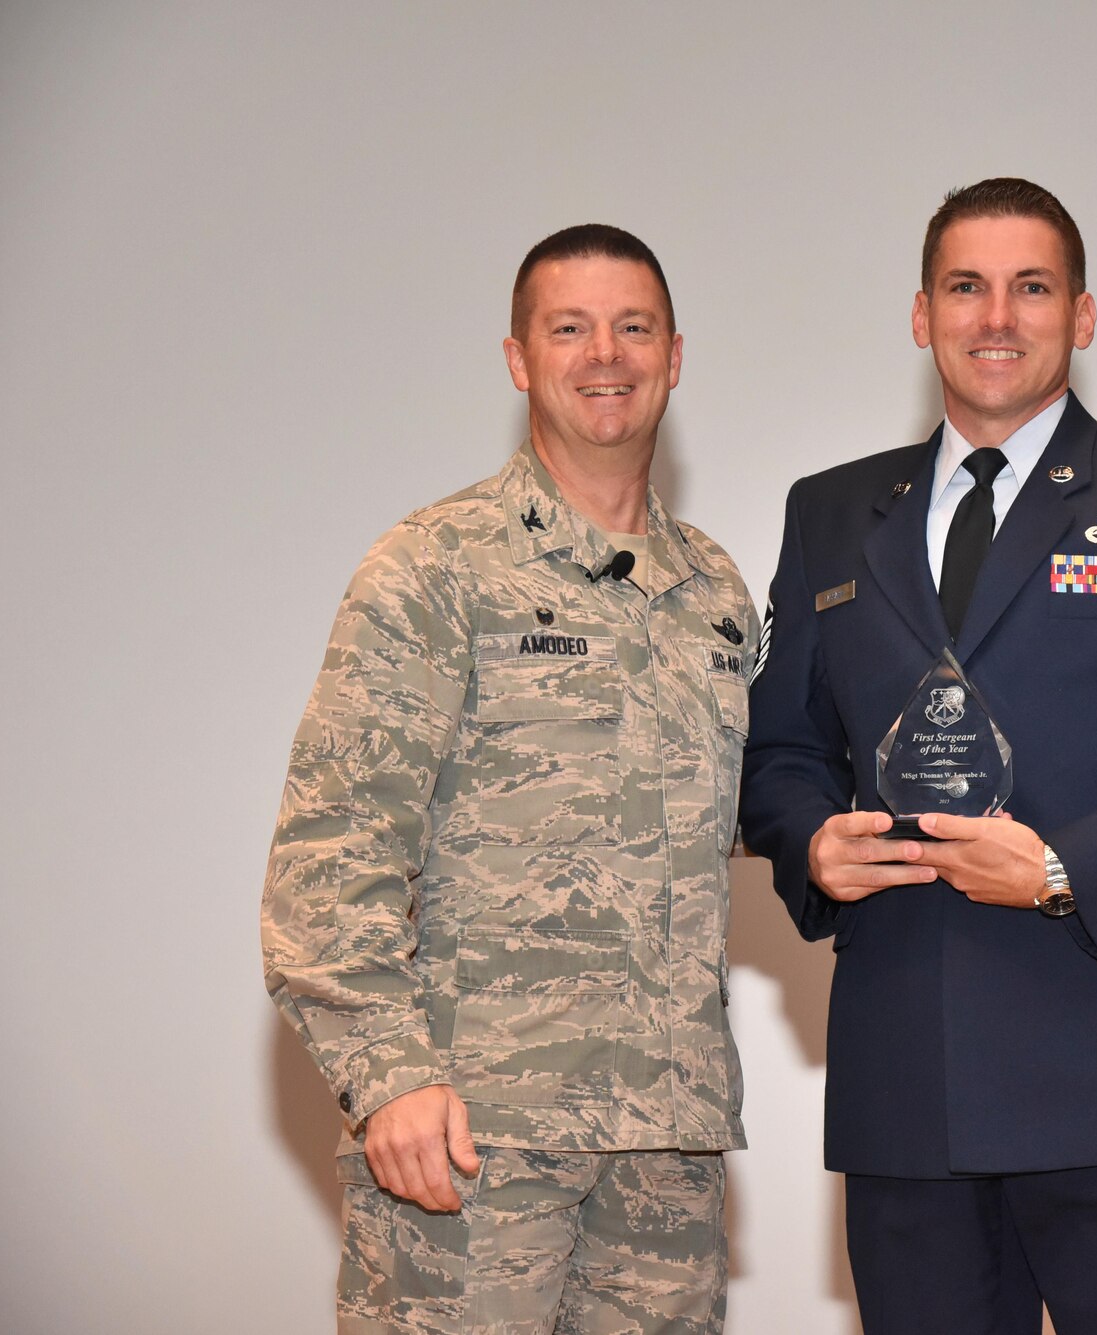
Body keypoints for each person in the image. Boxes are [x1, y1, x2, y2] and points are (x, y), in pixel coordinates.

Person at [739, 178, 1097, 1335]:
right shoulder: (829, 513)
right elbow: (780, 748)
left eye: (1031, 288)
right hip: (911, 1096)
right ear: (921, 316)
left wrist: (1062, 870)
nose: (995, 317)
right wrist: (811, 844)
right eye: (965, 288)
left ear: (1081, 316)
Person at [262, 224, 755, 1333]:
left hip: (666, 1154)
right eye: (569, 328)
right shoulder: (434, 566)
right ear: (518, 359)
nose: (605, 354)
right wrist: (387, 1074)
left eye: (634, 328)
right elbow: (334, 842)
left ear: (675, 356)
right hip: (474, 1141)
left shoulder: (714, 592)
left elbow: (731, 815)